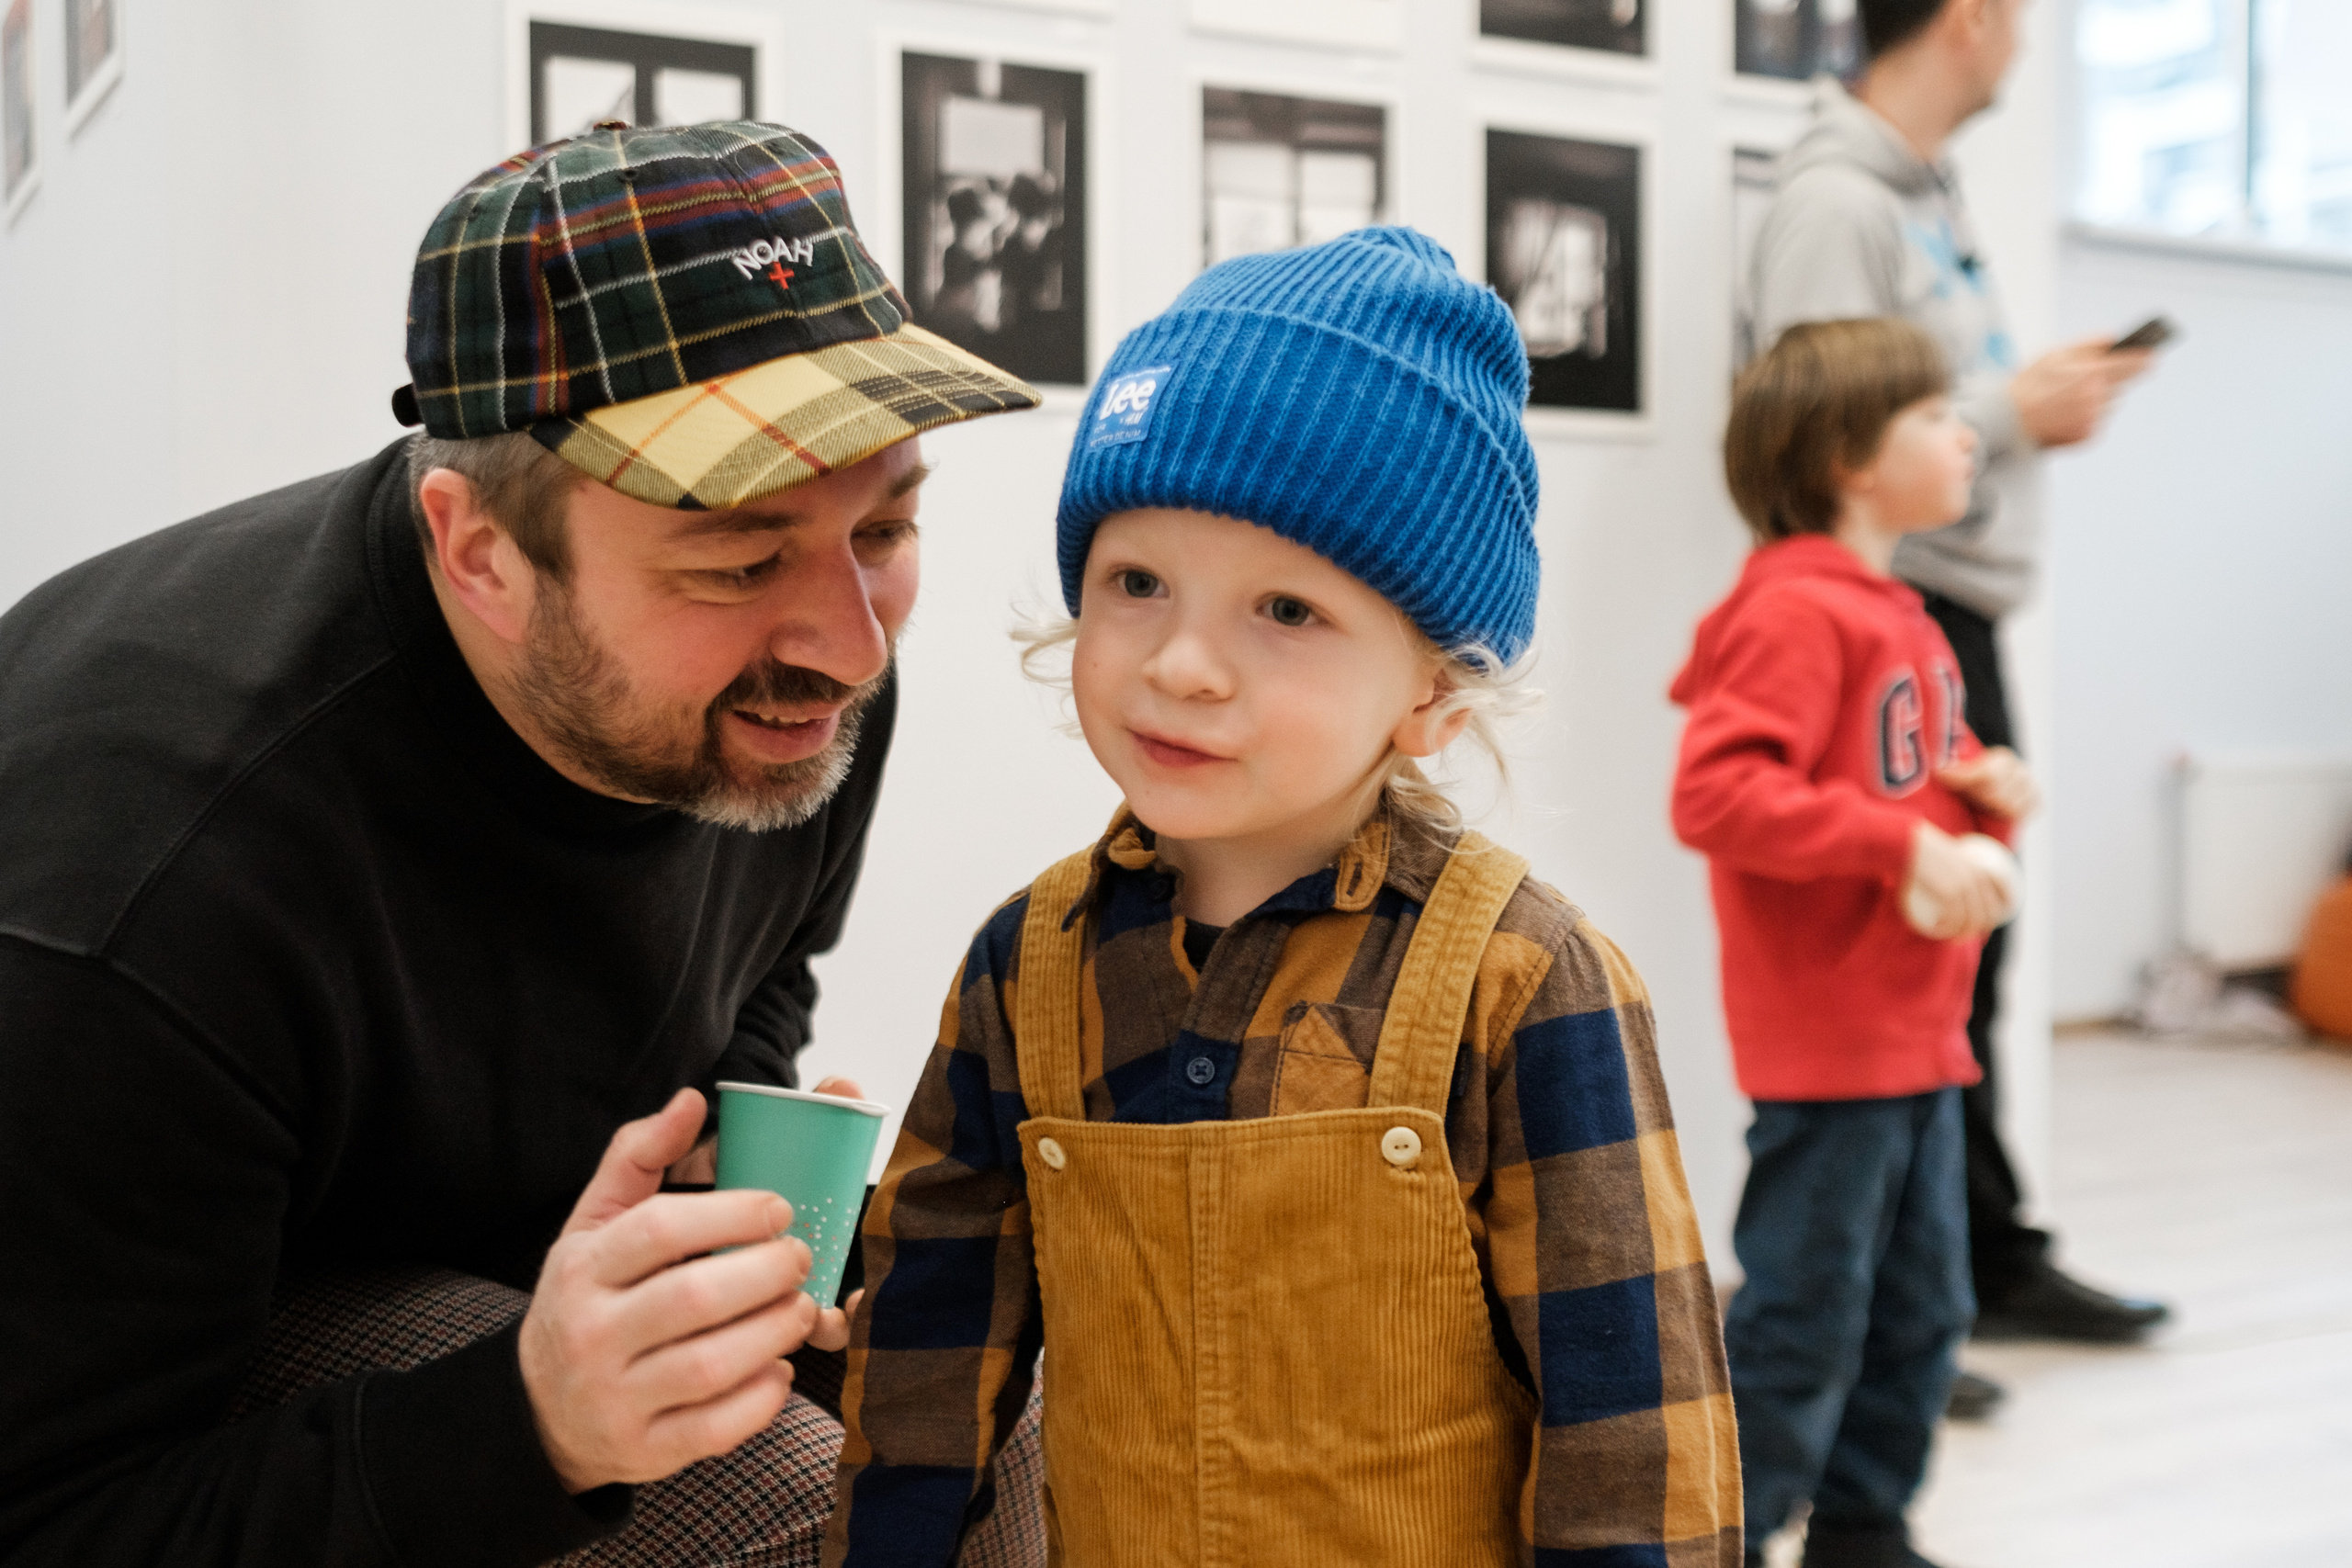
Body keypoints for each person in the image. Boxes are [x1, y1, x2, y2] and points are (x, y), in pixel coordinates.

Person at [0, 121, 1046, 1567]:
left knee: (1018, 1383)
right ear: (480, 551)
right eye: (739, 560)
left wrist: (744, 1195)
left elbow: (752, 979)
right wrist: (532, 1426)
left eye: (884, 527)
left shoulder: (791, 679)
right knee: (782, 1506)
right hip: (160, 1355)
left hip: (486, 1234)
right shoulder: (150, 875)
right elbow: (55, 1519)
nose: (850, 646)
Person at [821, 228, 1744, 1567]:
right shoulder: (1026, 967)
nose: (1184, 664)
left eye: (1288, 611)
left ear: (1433, 690)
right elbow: (924, 1361)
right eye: (1138, 583)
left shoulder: (1526, 981)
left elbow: (1634, 1431)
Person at [1747, 0, 2168, 1361]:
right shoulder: (1835, 202)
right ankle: (1883, 1305)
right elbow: (1826, 421)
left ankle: (1947, 1282)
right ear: (1972, 19)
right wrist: (2012, 415)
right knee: (1909, 958)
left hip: (1948, 611)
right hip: (1909, 603)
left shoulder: (1922, 193)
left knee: (1966, 960)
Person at [1674, 319, 2038, 1568]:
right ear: (1848, 457)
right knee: (1805, 1315)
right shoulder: (1792, 617)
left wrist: (1976, 789)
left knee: (1926, 1304)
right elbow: (1717, 797)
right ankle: (1733, 1536)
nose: (1966, 432)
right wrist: (1906, 849)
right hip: (1834, 1042)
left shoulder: (1903, 616)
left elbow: (1893, 776)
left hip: (1918, 1034)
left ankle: (1865, 1532)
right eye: (1935, 415)